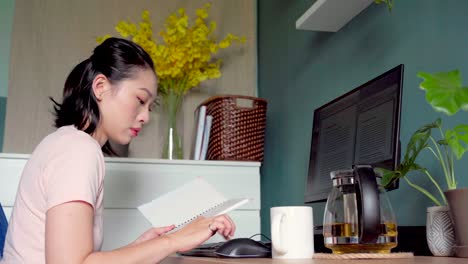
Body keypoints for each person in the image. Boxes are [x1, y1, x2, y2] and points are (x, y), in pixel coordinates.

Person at [1, 37, 235, 264]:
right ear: (100, 87)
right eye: (140, 100)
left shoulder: (67, 142)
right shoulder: (77, 150)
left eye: (150, 107)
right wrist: (172, 242)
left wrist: (142, 247)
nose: (145, 117)